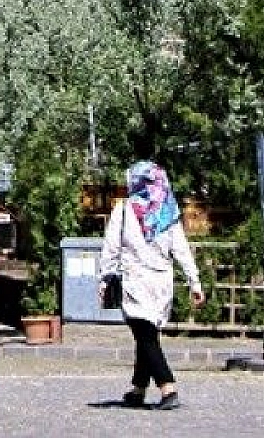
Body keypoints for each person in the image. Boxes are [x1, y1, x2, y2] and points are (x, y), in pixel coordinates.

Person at [98, 160, 204, 411]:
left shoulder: (124, 209)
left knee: (145, 337)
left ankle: (168, 387)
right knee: (147, 334)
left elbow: (111, 248)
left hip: (136, 282)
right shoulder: (168, 213)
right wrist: (194, 282)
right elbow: (181, 250)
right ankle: (138, 389)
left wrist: (104, 278)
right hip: (162, 282)